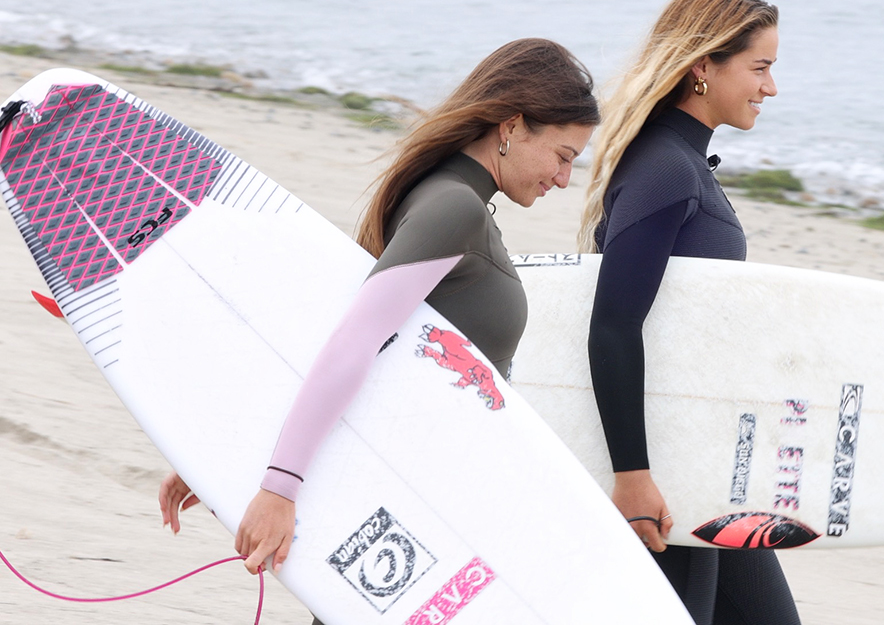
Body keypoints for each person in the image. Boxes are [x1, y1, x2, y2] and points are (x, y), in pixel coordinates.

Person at [158, 38, 599, 588]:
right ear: (512, 127)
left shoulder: (448, 197)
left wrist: (240, 450)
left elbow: (363, 341)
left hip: (436, 499)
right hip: (415, 504)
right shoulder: (454, 207)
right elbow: (353, 341)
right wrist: (278, 485)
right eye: (563, 156)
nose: (562, 179)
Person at [577, 0, 799, 624]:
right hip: (665, 470)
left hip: (700, 462)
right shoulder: (667, 170)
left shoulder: (679, 164)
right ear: (704, 66)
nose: (770, 87)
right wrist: (633, 475)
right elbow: (613, 327)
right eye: (760, 68)